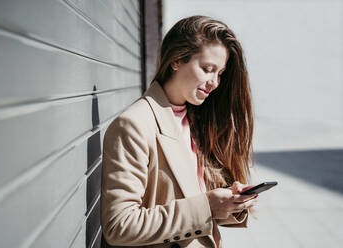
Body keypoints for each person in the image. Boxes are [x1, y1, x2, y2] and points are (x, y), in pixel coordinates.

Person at [101, 15, 258, 248]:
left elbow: (189, 198)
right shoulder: (133, 125)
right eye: (207, 69)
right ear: (176, 60)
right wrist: (207, 206)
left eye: (220, 73)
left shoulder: (195, 119)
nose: (214, 82)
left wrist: (229, 201)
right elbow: (119, 225)